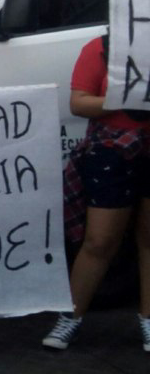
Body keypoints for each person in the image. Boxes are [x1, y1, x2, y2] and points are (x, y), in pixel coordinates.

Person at [42, 33, 150, 352]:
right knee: (100, 241)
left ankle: (148, 320)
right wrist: (125, 98)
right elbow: (78, 103)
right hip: (111, 151)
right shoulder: (101, 48)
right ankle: (70, 318)